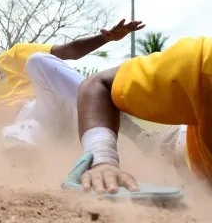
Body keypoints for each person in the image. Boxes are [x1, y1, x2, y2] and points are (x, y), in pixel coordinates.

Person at [0, 11, 153, 152]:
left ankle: (140, 136)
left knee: (38, 60)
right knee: (12, 135)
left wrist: (106, 39)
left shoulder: (14, 54)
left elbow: (69, 52)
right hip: (32, 134)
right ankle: (43, 174)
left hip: (56, 111)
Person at [73, 36, 212, 194]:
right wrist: (103, 159)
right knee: (154, 146)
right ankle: (139, 134)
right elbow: (98, 83)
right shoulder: (203, 61)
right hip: (182, 146)